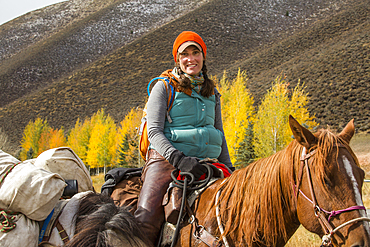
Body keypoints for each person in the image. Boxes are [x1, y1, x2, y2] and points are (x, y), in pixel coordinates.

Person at [134, 31, 234, 246]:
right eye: (184, 54)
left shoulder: (212, 92)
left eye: (195, 52)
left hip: (209, 163)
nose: (191, 59)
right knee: (145, 221)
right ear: (177, 59)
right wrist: (179, 159)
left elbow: (219, 132)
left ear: (203, 56)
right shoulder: (164, 87)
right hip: (167, 162)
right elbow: (153, 132)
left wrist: (229, 168)